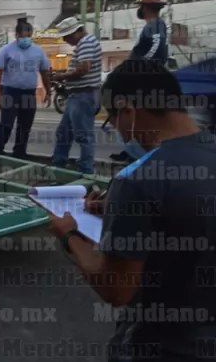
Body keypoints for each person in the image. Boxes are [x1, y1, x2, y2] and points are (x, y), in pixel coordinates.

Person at [48, 58, 216, 361]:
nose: (123, 135)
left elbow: (116, 289)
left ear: (128, 110)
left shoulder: (137, 179)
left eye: (113, 121)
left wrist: (70, 236)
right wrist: (120, 212)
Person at [111, 0, 170, 163]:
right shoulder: (154, 26)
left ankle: (140, 155)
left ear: (144, 7)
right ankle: (133, 152)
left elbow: (156, 49)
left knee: (130, 115)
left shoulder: (155, 26)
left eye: (140, 6)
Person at [0, 21, 52, 158]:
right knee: (7, 123)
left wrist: (48, 91)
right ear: (16, 35)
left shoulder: (38, 51)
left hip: (29, 93)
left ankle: (19, 152)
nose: (26, 39)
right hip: (10, 92)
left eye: (29, 36)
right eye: (23, 36)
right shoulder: (6, 50)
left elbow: (44, 72)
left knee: (25, 125)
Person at [50, 16, 103, 174]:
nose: (66, 40)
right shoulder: (86, 42)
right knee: (64, 133)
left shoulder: (86, 43)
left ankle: (85, 171)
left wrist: (62, 76)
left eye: (66, 37)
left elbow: (84, 69)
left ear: (75, 32)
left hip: (83, 94)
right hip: (78, 95)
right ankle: (59, 166)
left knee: (83, 136)